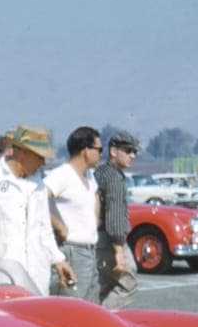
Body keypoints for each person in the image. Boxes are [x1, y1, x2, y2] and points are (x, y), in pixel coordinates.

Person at [0, 124, 74, 295]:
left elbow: (44, 228)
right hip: (4, 275)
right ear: (23, 153)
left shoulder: (37, 183)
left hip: (38, 275)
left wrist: (58, 260)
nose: (43, 163)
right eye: (40, 157)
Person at [45, 126, 102, 301]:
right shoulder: (62, 174)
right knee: (69, 311)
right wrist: (59, 226)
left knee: (91, 312)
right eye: (99, 149)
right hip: (71, 253)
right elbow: (39, 198)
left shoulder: (90, 177)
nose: (101, 154)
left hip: (90, 253)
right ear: (86, 150)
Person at [95, 131, 140, 310]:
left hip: (98, 240)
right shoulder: (113, 178)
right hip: (110, 240)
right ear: (113, 151)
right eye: (128, 151)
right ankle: (102, 321)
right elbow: (113, 216)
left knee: (105, 286)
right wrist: (119, 252)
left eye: (135, 152)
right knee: (128, 283)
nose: (132, 156)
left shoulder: (101, 172)